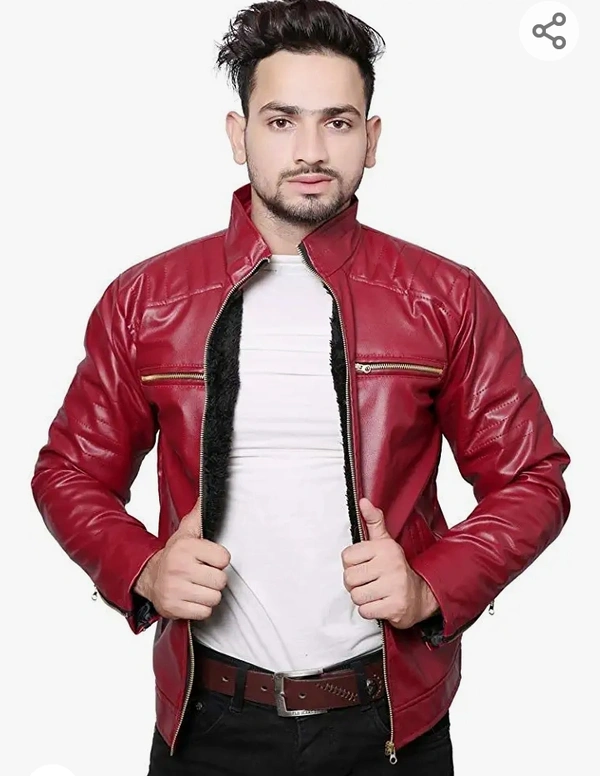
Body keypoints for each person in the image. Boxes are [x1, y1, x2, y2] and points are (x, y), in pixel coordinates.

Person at [30, 1, 571, 774]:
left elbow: (532, 479)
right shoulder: (147, 299)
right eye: (281, 121)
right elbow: (69, 472)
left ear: (371, 139)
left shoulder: (444, 297)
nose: (310, 151)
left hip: (390, 724)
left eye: (337, 123)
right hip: (208, 723)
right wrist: (141, 568)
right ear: (238, 134)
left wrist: (430, 586)